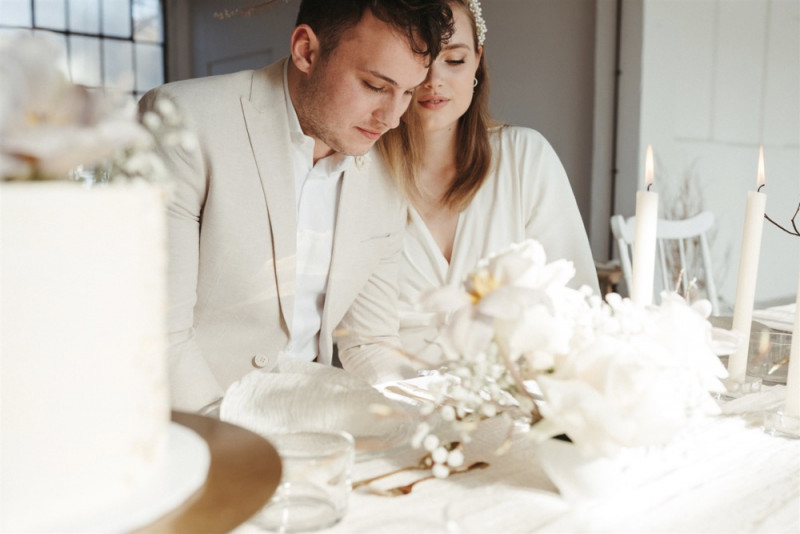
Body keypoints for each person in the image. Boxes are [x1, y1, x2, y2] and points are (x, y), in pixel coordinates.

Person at [139, 0, 455, 411]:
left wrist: (427, 416)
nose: (392, 118)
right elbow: (159, 335)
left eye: (408, 93)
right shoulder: (185, 120)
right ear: (307, 50)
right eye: (375, 86)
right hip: (195, 427)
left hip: (314, 420)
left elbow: (370, 342)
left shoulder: (388, 169)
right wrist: (245, 452)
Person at [349, 0, 600, 373]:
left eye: (454, 60)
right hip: (390, 408)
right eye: (420, 59)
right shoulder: (356, 172)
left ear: (477, 62)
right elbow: (358, 341)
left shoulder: (525, 158)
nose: (434, 80)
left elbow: (578, 305)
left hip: (515, 400)